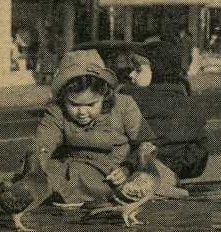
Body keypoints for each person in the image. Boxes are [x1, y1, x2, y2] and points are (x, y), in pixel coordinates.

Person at [38, 49, 160, 205]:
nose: (82, 112)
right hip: (72, 167)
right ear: (63, 98)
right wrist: (37, 165)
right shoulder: (56, 110)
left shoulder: (124, 106)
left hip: (114, 172)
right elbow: (43, 142)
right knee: (46, 174)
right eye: (74, 104)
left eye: (91, 104)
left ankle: (67, 194)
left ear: (104, 95)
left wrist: (127, 168)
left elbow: (146, 145)